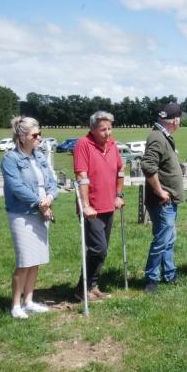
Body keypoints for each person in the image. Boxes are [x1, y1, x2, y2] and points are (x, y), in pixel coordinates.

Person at [1, 116, 58, 318]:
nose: (39, 138)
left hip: (43, 210)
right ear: (22, 137)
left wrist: (49, 198)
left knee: (36, 259)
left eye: (40, 134)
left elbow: (52, 181)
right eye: (35, 135)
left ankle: (29, 301)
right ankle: (16, 304)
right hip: (22, 214)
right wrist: (39, 202)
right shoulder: (10, 159)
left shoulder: (40, 157)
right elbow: (16, 187)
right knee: (25, 260)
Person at [73, 111, 125, 301]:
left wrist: (118, 195)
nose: (107, 133)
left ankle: (93, 286)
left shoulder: (112, 145)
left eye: (110, 128)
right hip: (92, 208)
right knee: (98, 249)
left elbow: (120, 171)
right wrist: (86, 205)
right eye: (103, 129)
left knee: (102, 249)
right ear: (92, 129)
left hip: (109, 206)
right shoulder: (83, 145)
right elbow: (81, 176)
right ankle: (81, 288)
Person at [140, 102, 184, 293]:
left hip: (167, 200)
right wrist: (160, 192)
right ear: (175, 120)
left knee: (168, 239)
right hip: (162, 201)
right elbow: (148, 166)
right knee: (161, 240)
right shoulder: (157, 138)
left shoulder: (162, 136)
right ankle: (151, 279)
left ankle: (169, 273)